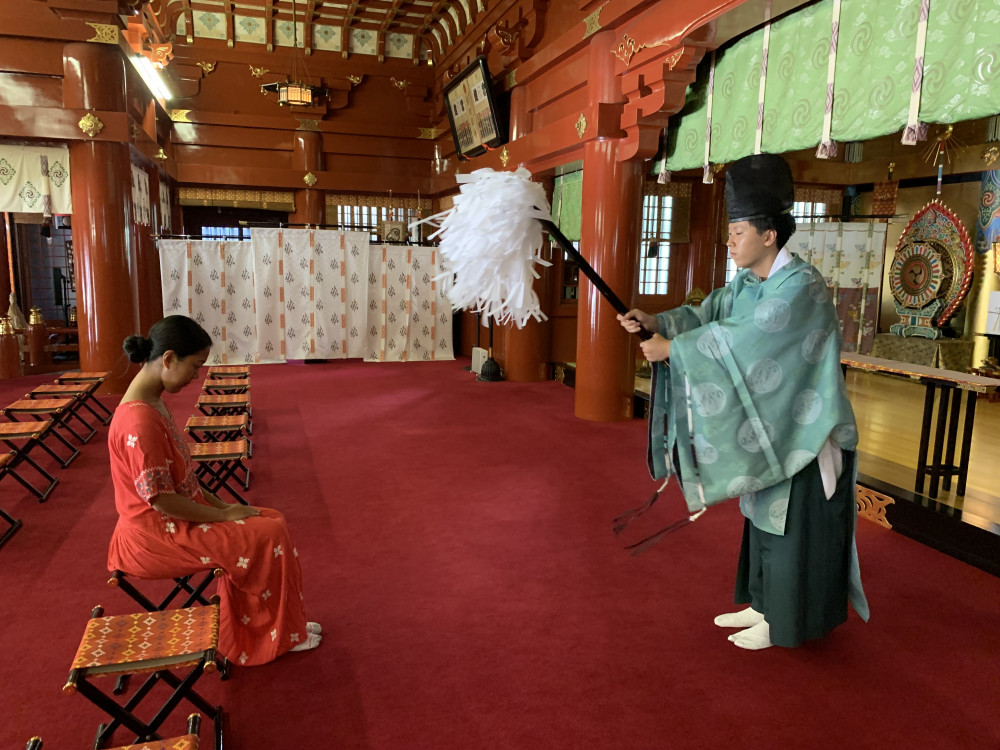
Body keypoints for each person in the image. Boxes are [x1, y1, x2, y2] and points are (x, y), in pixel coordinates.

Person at [618, 153, 868, 650]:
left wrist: (675, 352)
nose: (729, 241)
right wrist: (659, 323)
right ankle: (762, 602)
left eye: (737, 231)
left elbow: (746, 338)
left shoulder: (800, 288)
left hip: (806, 429)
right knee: (761, 518)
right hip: (775, 427)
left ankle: (786, 621)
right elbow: (709, 313)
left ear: (769, 235)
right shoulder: (746, 283)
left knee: (792, 528)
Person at [107, 315, 321, 665]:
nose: (196, 376)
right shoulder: (139, 419)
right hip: (156, 535)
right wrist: (223, 515)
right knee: (265, 535)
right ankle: (275, 635)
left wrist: (226, 507)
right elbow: (161, 501)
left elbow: (183, 482)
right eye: (194, 367)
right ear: (168, 359)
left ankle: (286, 626)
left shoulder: (150, 402)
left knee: (271, 520)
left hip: (170, 521)